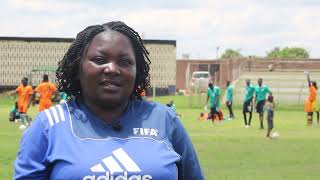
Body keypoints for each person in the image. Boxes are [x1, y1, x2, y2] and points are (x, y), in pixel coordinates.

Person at [14, 21, 204, 180]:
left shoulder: (164, 119)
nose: (112, 69)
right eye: (99, 59)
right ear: (77, 68)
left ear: (137, 72)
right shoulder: (48, 126)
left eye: (125, 62)